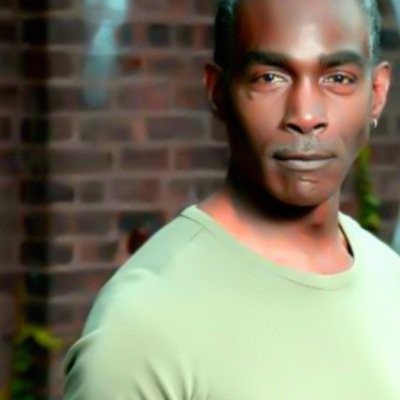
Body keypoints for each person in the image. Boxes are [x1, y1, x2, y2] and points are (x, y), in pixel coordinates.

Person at [63, 0, 400, 398]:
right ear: (218, 91)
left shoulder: (390, 281)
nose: (306, 115)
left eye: (338, 78)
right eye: (270, 77)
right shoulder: (144, 321)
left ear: (377, 92)